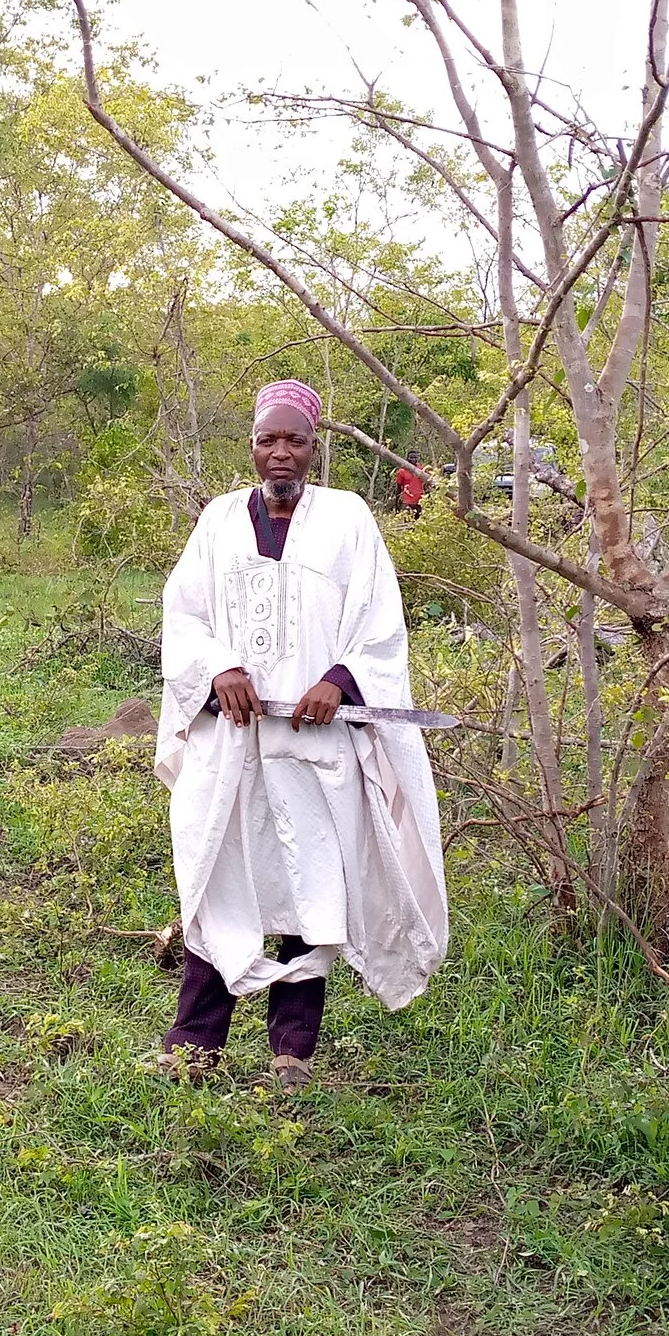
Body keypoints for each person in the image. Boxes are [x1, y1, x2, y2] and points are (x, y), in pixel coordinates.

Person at [153, 378, 448, 1094]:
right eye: (267, 440)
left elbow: (381, 622)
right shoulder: (219, 521)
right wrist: (218, 666)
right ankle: (195, 1045)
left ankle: (293, 1053)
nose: (280, 453)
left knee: (312, 894)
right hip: (234, 743)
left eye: (295, 440)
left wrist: (339, 680)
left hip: (316, 749)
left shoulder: (348, 520)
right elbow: (184, 612)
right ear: (250, 447)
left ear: (315, 449)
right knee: (220, 879)